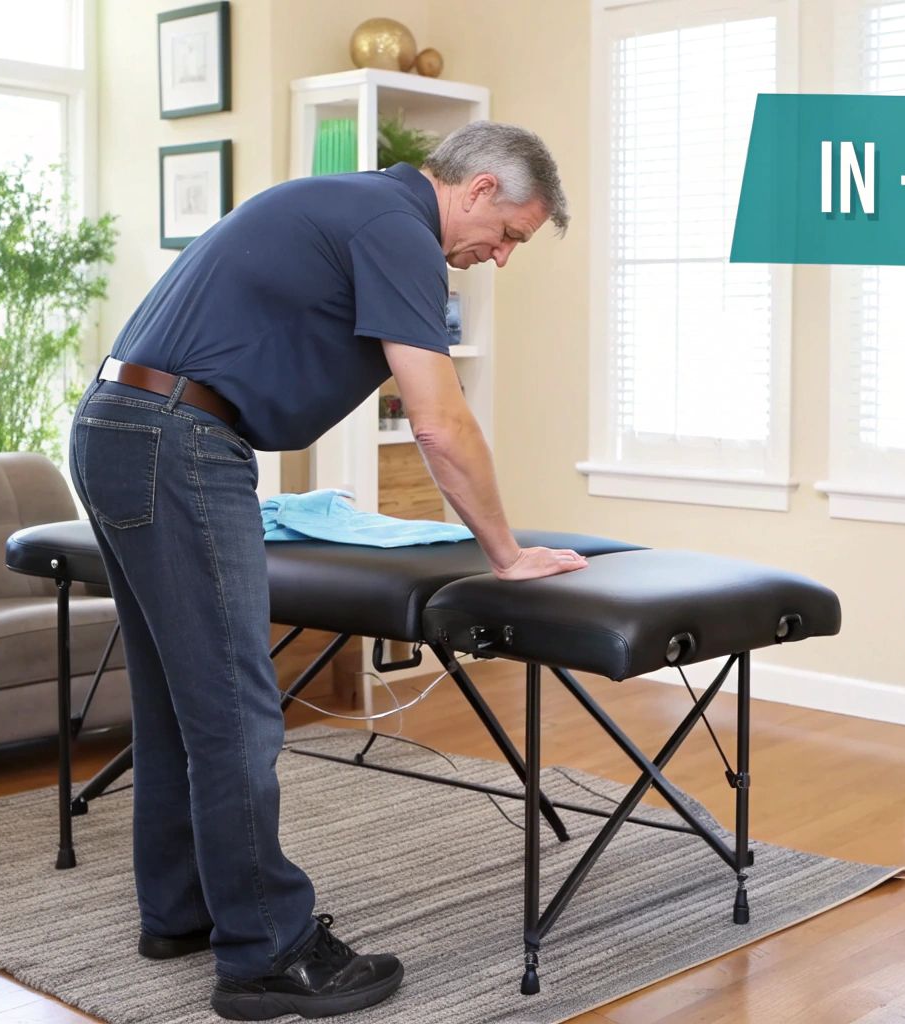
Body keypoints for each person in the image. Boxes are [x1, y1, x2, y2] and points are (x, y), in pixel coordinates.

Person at [67, 121, 587, 1021]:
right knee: (235, 706)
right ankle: (267, 953)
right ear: (476, 190)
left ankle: (182, 913)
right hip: (178, 439)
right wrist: (506, 553)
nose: (497, 258)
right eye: (508, 235)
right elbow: (438, 420)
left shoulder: (355, 205)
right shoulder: (397, 231)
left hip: (121, 424)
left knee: (180, 701)